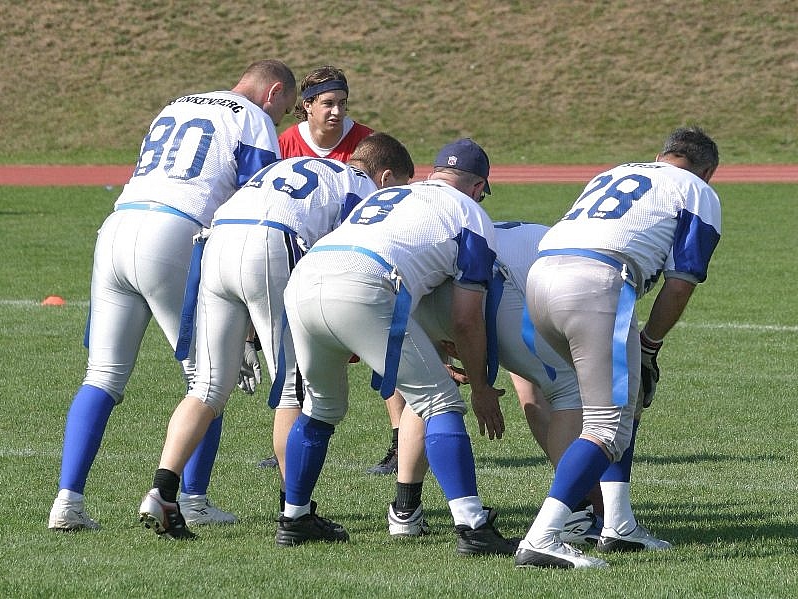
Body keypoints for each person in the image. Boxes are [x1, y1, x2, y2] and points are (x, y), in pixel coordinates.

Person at [47, 60, 297, 532]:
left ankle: (67, 500)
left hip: (117, 225)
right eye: (283, 108)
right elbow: (256, 199)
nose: (279, 117)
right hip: (174, 231)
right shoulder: (252, 118)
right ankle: (193, 498)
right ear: (274, 92)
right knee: (208, 379)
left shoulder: (176, 105)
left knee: (101, 375)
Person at [137, 133, 415, 539]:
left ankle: (162, 491)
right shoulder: (362, 187)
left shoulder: (288, 167)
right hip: (271, 242)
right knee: (291, 391)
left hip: (219, 240)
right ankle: (295, 511)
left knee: (207, 386)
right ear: (386, 177)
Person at [278, 138, 517, 556]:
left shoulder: (388, 194)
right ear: (478, 186)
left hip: (304, 278)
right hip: (364, 282)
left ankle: (294, 518)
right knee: (440, 404)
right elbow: (466, 317)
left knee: (319, 408)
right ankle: (472, 526)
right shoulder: (470, 213)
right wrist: (481, 386)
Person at [515, 126, 721, 569]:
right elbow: (681, 282)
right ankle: (543, 537)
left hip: (540, 279)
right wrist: (650, 345)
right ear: (708, 171)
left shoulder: (615, 171)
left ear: (661, 155)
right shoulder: (696, 188)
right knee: (608, 424)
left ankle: (619, 524)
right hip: (595, 285)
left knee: (621, 402)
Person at [386, 221, 608, 543]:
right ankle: (578, 512)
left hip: (412, 294)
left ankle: (405, 511)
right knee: (568, 390)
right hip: (484, 295)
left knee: (428, 394)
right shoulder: (586, 261)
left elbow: (529, 392)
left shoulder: (498, 232)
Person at [258, 65, 399, 476]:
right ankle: (290, 443)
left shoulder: (367, 144)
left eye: (342, 103)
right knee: (293, 355)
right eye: (328, 103)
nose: (337, 111)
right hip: (296, 262)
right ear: (306, 106)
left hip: (354, 261)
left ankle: (399, 440)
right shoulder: (284, 143)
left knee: (385, 349)